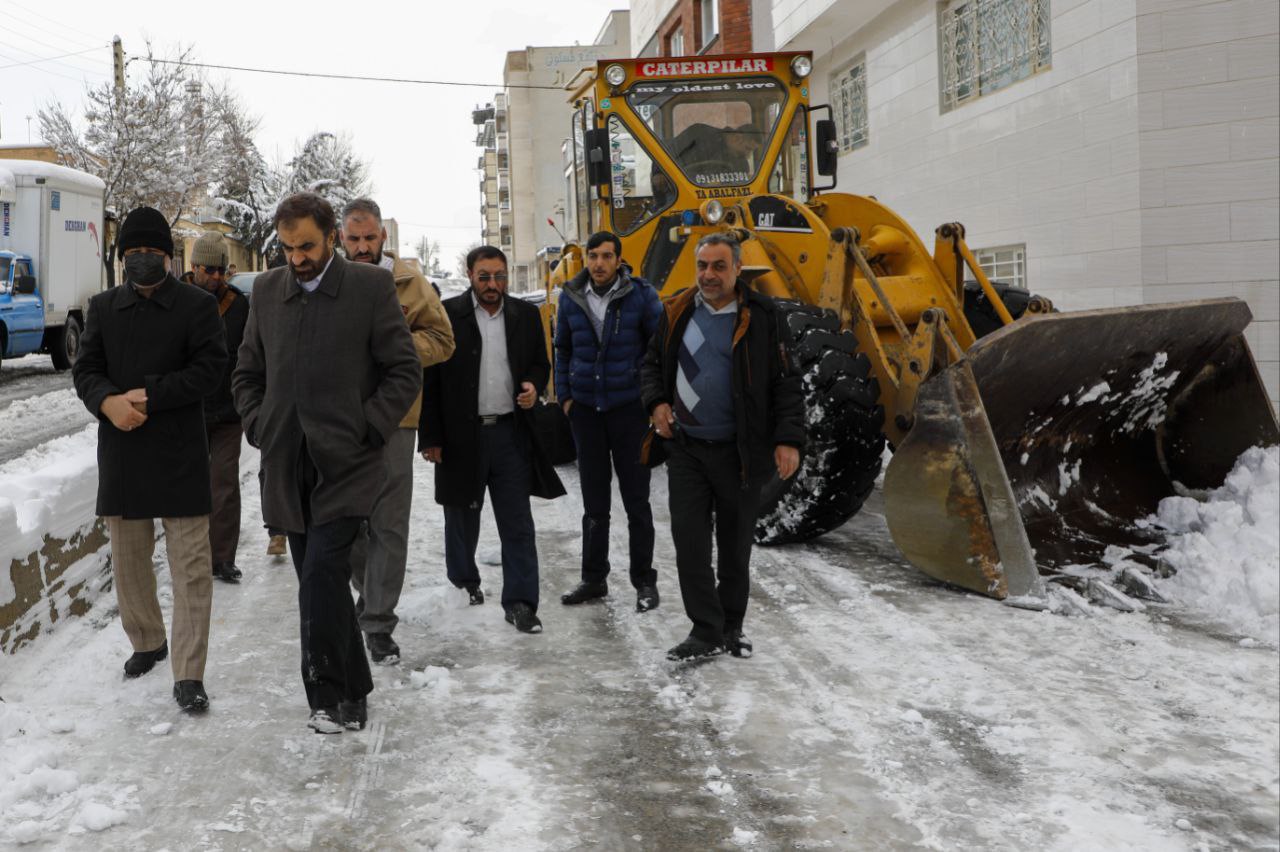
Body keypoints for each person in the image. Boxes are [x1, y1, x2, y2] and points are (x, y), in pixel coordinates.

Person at [232, 192, 420, 734]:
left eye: (307, 247)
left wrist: (369, 427)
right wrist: (259, 425)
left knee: (319, 575)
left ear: (332, 237)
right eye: (288, 248)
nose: (297, 258)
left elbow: (404, 370)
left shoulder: (369, 288)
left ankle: (324, 695)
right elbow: (246, 373)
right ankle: (356, 689)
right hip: (288, 466)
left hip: (348, 465)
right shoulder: (268, 291)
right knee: (327, 584)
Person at [72, 206, 227, 712]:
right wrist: (107, 403)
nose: (142, 258)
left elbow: (211, 370)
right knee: (129, 562)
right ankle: (147, 640)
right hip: (123, 449)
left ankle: (189, 672)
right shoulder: (103, 307)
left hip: (180, 452)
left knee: (191, 567)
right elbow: (86, 370)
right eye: (134, 252)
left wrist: (151, 395)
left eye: (152, 251)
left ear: (168, 256)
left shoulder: (197, 306)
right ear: (122, 258)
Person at [640, 233, 804, 661]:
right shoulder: (676, 310)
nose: (708, 275)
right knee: (690, 544)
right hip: (687, 449)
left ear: (737, 269)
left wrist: (788, 439)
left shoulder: (763, 315)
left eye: (718, 266)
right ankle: (704, 630)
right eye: (702, 266)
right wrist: (656, 403)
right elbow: (651, 365)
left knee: (735, 547)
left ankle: (732, 626)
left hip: (739, 453)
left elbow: (787, 381)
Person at [339, 197, 456, 665]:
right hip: (339, 421)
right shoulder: (327, 280)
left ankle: (378, 622)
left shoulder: (409, 282)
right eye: (354, 238)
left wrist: (394, 343)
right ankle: (369, 593)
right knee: (344, 521)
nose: (362, 246)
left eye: (370, 238)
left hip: (396, 420)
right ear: (340, 238)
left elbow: (443, 340)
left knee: (388, 523)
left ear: (383, 237)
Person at [419, 245, 558, 634]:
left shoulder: (524, 315)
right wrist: (430, 437)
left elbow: (540, 363)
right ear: (470, 275)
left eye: (499, 276)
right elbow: (430, 379)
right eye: (484, 277)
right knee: (461, 516)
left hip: (510, 435)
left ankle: (521, 603)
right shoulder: (447, 315)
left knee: (517, 522)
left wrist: (533, 385)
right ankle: (464, 584)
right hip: (461, 436)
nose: (493, 284)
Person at [554, 231, 663, 612]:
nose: (598, 263)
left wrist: (653, 400)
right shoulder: (570, 297)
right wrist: (566, 398)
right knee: (594, 504)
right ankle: (593, 578)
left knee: (637, 502)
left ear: (619, 260)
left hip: (629, 411)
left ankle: (644, 581)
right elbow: (562, 349)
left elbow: (658, 349)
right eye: (593, 256)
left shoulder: (641, 295)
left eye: (606, 256)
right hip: (586, 412)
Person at [189, 231, 250, 584]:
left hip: (228, 412)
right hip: (189, 411)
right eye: (209, 270)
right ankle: (193, 553)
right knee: (191, 485)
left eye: (221, 271)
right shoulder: (178, 300)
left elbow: (250, 354)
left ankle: (222, 558)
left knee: (224, 483)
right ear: (194, 266)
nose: (216, 277)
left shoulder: (238, 305)